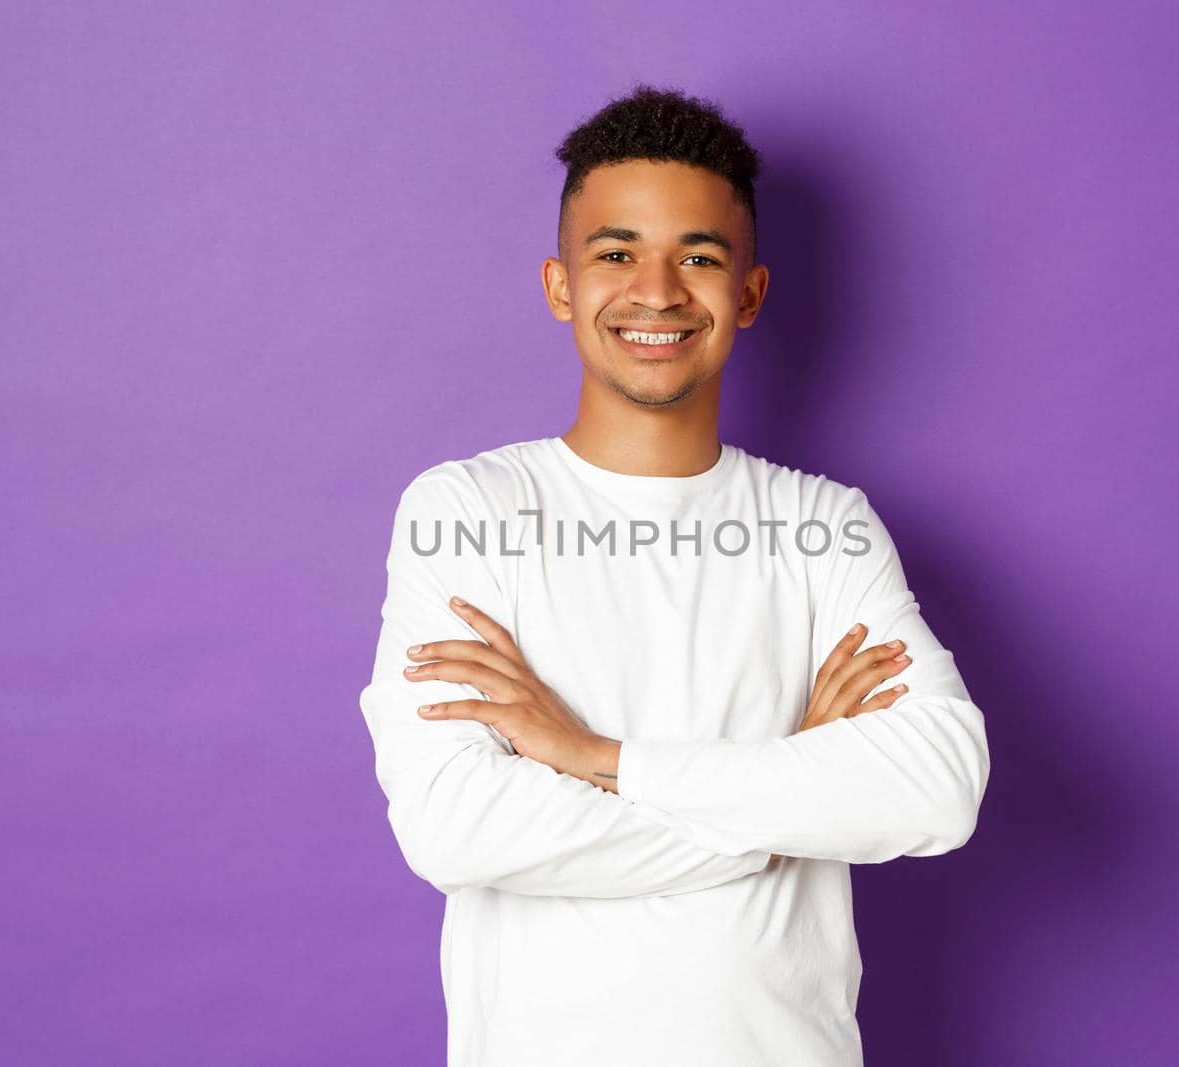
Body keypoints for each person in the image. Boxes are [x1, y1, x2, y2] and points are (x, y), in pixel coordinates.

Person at [358, 82, 991, 1067]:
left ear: (747, 292)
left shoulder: (823, 524)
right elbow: (454, 825)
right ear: (560, 284)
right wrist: (783, 812)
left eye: (697, 256)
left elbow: (936, 789)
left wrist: (594, 755)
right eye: (616, 254)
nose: (655, 291)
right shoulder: (467, 510)